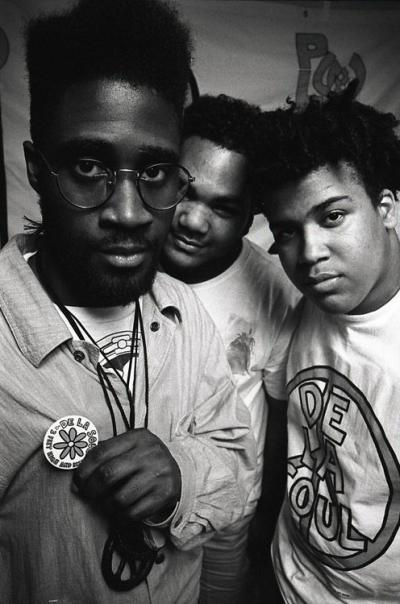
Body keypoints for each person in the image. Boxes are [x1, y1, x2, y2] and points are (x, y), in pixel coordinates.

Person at [0, 2, 256, 603]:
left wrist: (182, 474)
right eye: (89, 166)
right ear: (37, 170)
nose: (129, 212)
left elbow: (236, 459)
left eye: (155, 170)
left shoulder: (182, 311)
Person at [256, 83, 400, 603]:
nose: (310, 253)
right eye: (287, 232)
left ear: (386, 207)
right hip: (284, 575)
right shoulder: (309, 305)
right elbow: (287, 435)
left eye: (332, 216)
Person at [161, 94, 300, 603]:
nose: (193, 221)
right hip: (145, 508)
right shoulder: (126, 262)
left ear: (249, 216)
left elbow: (280, 415)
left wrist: (266, 515)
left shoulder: (276, 289)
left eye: (222, 207)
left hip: (231, 512)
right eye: (184, 191)